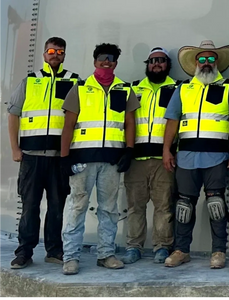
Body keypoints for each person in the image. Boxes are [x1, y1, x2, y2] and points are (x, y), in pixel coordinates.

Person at [60, 43, 140, 275]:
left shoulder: (124, 89)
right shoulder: (80, 88)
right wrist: (64, 157)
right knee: (77, 207)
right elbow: (68, 125)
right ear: (95, 61)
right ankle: (71, 257)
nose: (107, 62)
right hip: (82, 160)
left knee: (109, 209)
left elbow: (129, 123)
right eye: (103, 58)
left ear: (116, 62)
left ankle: (106, 254)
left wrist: (129, 150)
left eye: (112, 59)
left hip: (112, 160)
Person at [162, 40, 229, 269]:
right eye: (202, 59)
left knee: (216, 205)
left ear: (217, 62)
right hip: (185, 156)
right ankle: (181, 250)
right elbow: (173, 120)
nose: (206, 63)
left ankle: (219, 251)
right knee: (184, 206)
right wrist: (166, 149)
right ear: (196, 62)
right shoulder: (184, 88)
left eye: (211, 59)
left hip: (216, 157)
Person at [7, 37, 80, 269]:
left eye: (60, 51)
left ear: (65, 55)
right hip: (31, 156)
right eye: (51, 50)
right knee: (29, 207)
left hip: (60, 158)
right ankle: (24, 252)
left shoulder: (74, 81)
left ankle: (54, 250)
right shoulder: (30, 81)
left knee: (57, 206)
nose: (55, 54)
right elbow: (13, 114)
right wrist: (15, 148)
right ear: (44, 54)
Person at [120, 47, 180, 265]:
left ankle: (162, 247)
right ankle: (133, 247)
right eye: (153, 60)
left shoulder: (177, 89)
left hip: (163, 159)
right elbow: (126, 121)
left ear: (168, 65)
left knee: (164, 206)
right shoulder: (133, 89)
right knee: (135, 206)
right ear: (147, 64)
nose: (157, 64)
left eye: (161, 61)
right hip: (136, 159)